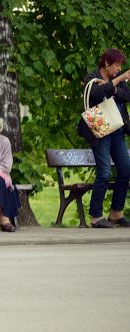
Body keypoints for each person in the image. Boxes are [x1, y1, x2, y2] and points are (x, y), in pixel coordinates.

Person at [78, 48, 130, 228]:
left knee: (125, 169)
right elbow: (95, 94)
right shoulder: (91, 77)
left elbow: (127, 96)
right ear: (107, 64)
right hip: (99, 131)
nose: (118, 69)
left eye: (120, 67)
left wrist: (113, 88)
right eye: (116, 66)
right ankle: (96, 216)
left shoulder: (117, 80)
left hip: (117, 130)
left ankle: (116, 212)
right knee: (105, 172)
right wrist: (117, 81)